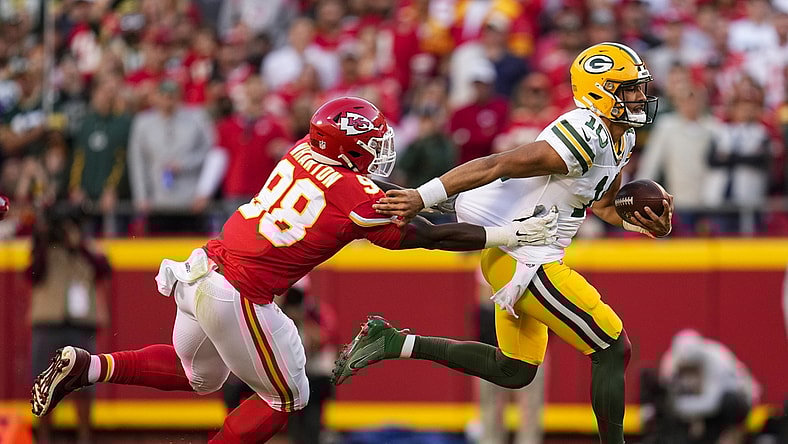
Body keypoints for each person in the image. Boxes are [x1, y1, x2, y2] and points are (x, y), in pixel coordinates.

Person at [30, 96, 559, 444]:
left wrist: (436, 201)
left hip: (201, 269)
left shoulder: (302, 150)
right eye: (371, 143)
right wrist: (507, 235)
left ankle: (90, 367)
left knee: (200, 376)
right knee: (289, 397)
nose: (379, 150)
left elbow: (378, 203)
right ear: (348, 147)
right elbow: (428, 235)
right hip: (238, 293)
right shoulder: (355, 193)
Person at [331, 42, 675, 444]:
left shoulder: (622, 137)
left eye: (640, 88)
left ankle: (393, 342)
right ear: (600, 92)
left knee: (514, 369)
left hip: (523, 251)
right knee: (612, 347)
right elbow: (496, 164)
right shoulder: (585, 133)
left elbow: (602, 205)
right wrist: (422, 196)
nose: (640, 97)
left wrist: (649, 226)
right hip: (525, 256)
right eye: (630, 89)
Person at [27, 203, 111, 444]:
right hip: (47, 321)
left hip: (79, 322)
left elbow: (104, 269)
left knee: (84, 382)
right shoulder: (43, 246)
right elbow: (32, 274)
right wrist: (43, 238)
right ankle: (44, 437)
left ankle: (84, 437)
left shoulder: (86, 245)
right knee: (43, 383)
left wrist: (79, 245)